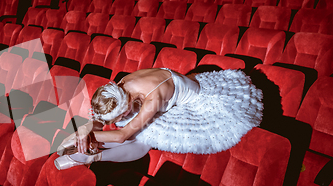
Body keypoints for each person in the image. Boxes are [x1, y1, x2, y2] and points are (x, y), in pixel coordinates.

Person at [55, 68, 263, 170]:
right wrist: (84, 130)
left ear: (125, 106)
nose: (116, 120)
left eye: (119, 115)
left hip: (201, 104)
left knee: (144, 138)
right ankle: (86, 151)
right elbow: (101, 119)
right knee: (129, 128)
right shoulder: (119, 88)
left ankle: (91, 157)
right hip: (171, 92)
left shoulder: (153, 97)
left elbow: (122, 135)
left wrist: (80, 135)